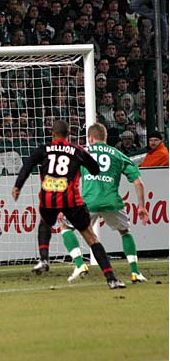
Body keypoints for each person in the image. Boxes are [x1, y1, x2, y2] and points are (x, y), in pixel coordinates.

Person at [12, 120, 126, 289]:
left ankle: (44, 258)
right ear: (69, 135)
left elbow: (27, 167)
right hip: (72, 201)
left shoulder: (43, 150)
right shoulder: (76, 151)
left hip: (49, 198)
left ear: (52, 134)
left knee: (45, 222)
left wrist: (18, 186)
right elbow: (95, 169)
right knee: (91, 238)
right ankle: (111, 279)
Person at [57, 123, 149, 283]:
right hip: (112, 201)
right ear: (105, 138)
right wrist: (141, 206)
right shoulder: (118, 154)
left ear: (90, 138)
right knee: (125, 232)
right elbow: (139, 182)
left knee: (65, 227)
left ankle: (79, 264)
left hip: (88, 201)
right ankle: (135, 272)